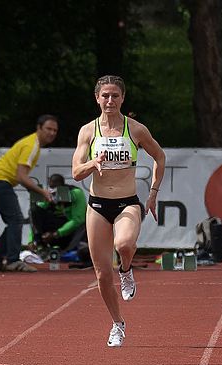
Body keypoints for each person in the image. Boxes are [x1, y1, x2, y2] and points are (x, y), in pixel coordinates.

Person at [72, 75, 166, 347]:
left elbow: (159, 156)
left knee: (124, 244)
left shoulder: (135, 130)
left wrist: (153, 193)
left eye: (115, 95)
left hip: (127, 202)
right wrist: (93, 163)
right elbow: (76, 172)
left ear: (123, 98)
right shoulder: (88, 131)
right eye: (105, 96)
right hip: (98, 205)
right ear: (97, 98)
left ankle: (126, 270)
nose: (110, 100)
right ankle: (118, 324)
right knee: (102, 274)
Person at [0, 115, 58, 272]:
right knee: (15, 220)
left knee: (13, 221)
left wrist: (36, 190)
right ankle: (13, 260)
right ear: (39, 128)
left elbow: (20, 177)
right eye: (48, 129)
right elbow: (21, 176)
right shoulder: (32, 146)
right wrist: (42, 191)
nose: (52, 133)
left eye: (55, 130)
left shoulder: (32, 143)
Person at [29, 173, 87, 254]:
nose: (53, 191)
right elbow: (35, 218)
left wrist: (56, 234)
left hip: (69, 233)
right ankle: (39, 245)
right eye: (51, 187)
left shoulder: (76, 193)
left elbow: (78, 220)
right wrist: (31, 240)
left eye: (55, 188)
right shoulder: (49, 195)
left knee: (82, 226)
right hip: (53, 230)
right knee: (34, 209)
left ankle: (71, 251)